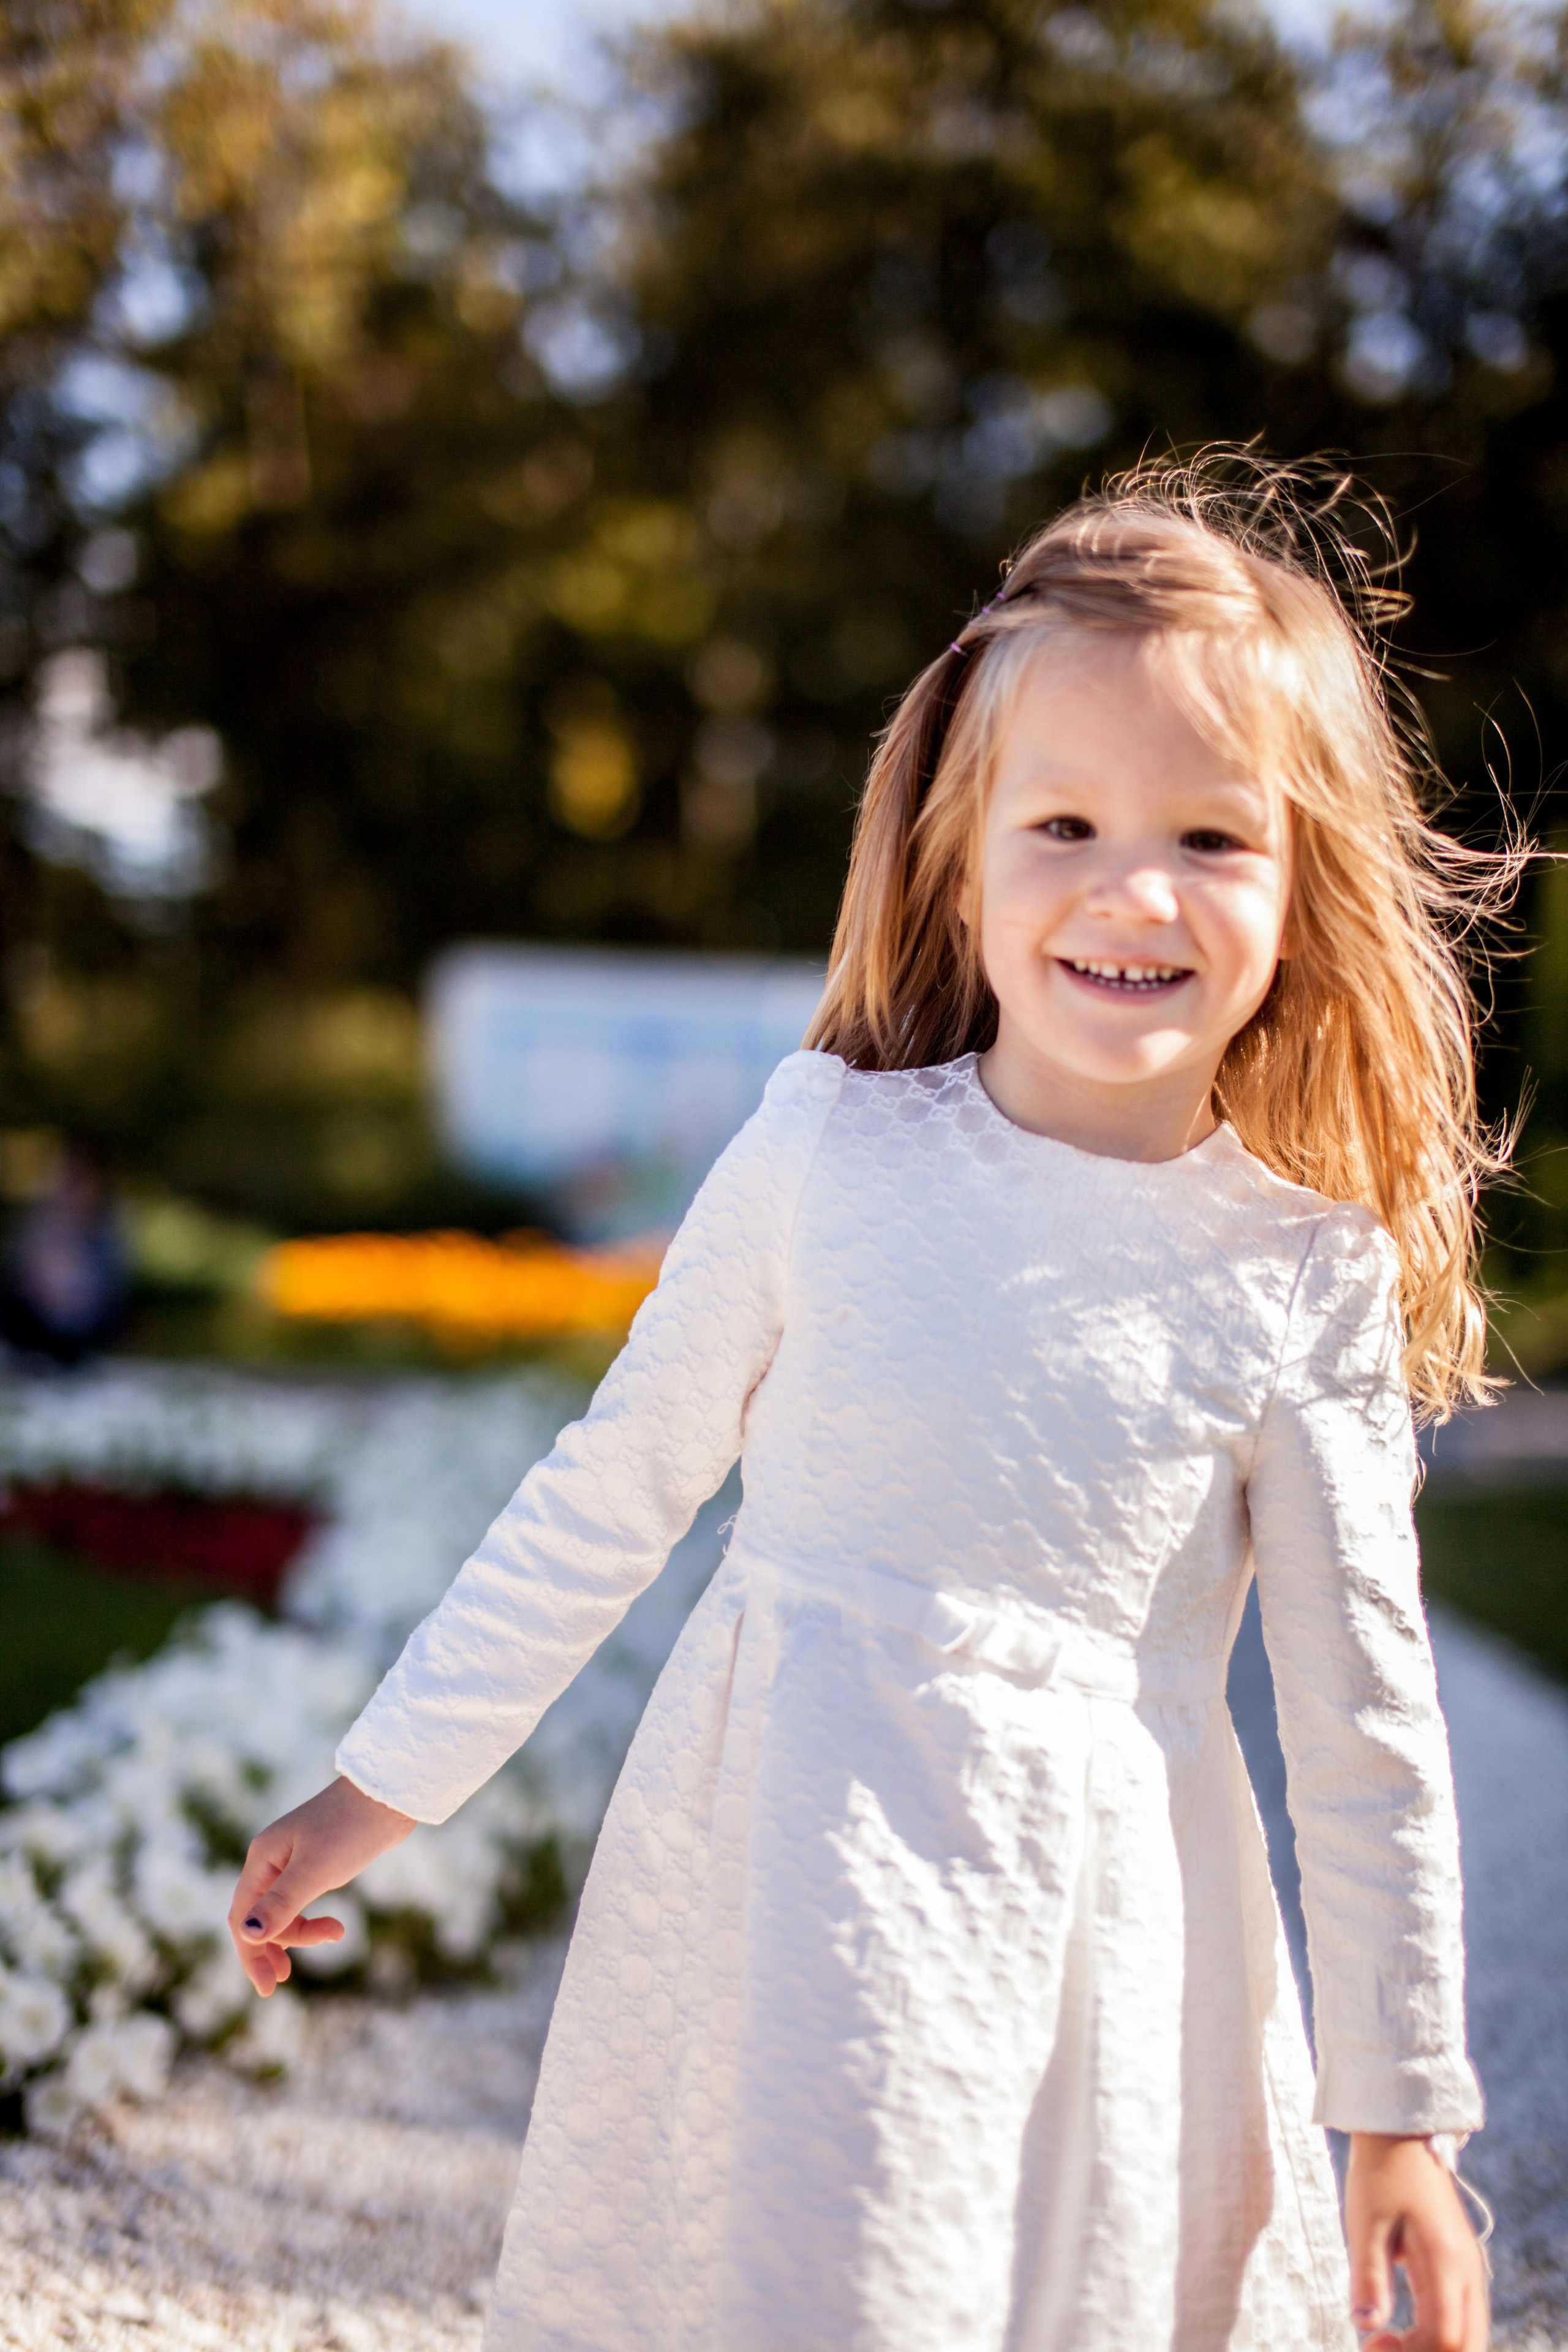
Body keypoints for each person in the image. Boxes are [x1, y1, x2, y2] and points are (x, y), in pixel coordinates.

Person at [229, 451, 1505, 2352]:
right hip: (790, 1874)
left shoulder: (1294, 1275)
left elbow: (1364, 1729)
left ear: (1307, 891)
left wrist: (1398, 2113)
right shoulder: (826, 1149)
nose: (1128, 889)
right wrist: (378, 1787)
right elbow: (615, 1488)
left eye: (1212, 839)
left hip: (1093, 1941)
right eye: (1061, 824)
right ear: (961, 857)